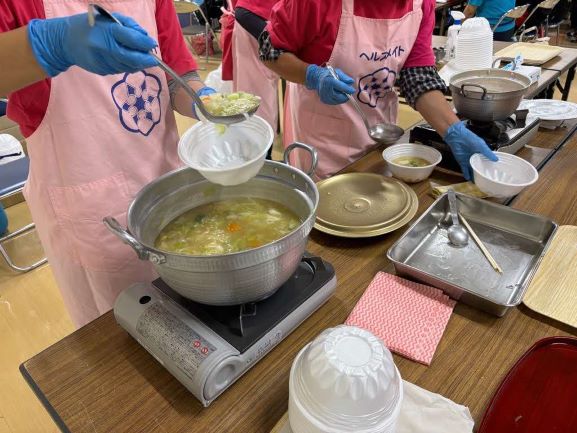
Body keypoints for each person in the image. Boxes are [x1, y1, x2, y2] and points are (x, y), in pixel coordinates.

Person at [0, 0, 215, 327]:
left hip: (167, 191)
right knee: (120, 339)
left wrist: (205, 101)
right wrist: (52, 43)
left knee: (190, 320)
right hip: (93, 217)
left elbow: (175, 73)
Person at [258, 0, 497, 180]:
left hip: (379, 132)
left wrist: (452, 129)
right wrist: (311, 76)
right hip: (321, 139)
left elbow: (417, 76)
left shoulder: (420, 5)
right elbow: (270, 51)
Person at [231, 0, 281, 134]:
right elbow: (244, 13)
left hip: (258, 21)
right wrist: (274, 42)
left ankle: (259, 146)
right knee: (257, 98)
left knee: (258, 95)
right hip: (255, 23)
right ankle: (260, 149)